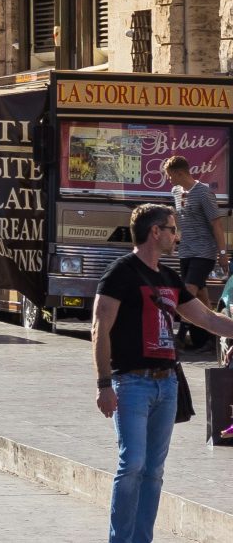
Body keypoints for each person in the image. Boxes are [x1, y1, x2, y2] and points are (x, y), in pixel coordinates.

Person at [98, 202, 233, 543]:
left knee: (154, 471)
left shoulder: (169, 277)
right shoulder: (120, 273)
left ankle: (142, 538)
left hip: (167, 384)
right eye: (173, 229)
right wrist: (103, 384)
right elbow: (99, 330)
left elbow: (207, 319)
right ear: (155, 232)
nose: (177, 236)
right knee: (132, 464)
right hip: (130, 383)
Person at [166, 155, 225, 353]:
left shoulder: (204, 193)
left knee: (187, 291)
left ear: (179, 172)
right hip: (186, 251)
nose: (169, 179)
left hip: (204, 251)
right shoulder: (175, 191)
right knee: (201, 299)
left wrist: (222, 253)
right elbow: (180, 221)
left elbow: (216, 224)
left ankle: (179, 338)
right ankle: (212, 339)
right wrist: (174, 240)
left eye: (169, 175)